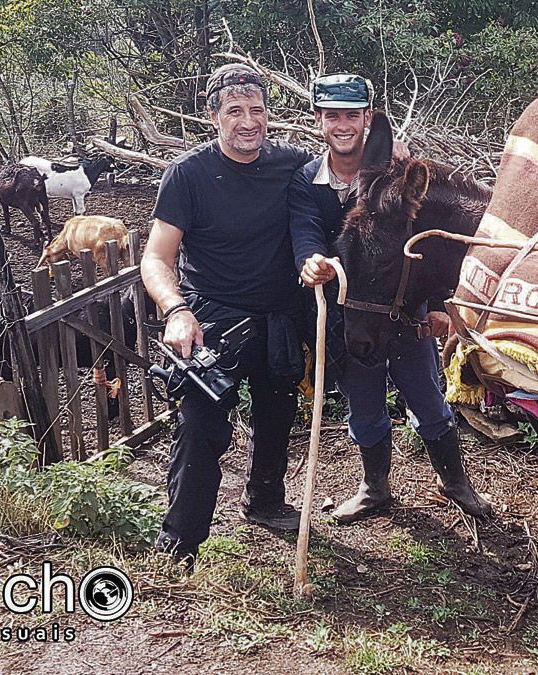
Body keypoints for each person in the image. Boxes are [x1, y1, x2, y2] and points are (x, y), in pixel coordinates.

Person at [289, 74, 492, 523]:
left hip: (404, 311)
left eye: (352, 115)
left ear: (366, 119)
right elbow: (304, 230)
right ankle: (374, 487)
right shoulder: (306, 179)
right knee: (363, 403)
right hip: (350, 314)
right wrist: (311, 261)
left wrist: (439, 305)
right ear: (319, 119)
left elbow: (430, 245)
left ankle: (454, 481)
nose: (342, 125)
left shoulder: (390, 174)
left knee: (427, 397)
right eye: (332, 115)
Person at [141, 63, 314, 566]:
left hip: (279, 316)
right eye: (234, 111)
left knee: (277, 414)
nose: (248, 121)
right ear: (212, 115)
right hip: (209, 318)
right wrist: (175, 310)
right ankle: (180, 540)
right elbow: (156, 257)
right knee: (200, 427)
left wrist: (393, 151)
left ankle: (263, 500)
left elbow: (350, 170)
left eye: (256, 110)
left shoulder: (293, 167)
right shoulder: (188, 175)